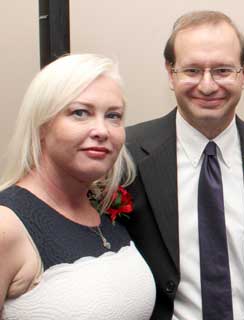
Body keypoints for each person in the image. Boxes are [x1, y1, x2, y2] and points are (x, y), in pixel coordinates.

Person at [124, 10, 244, 320]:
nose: (207, 86)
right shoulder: (127, 157)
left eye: (222, 70)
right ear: (170, 73)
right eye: (192, 70)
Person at [0, 54, 155, 319]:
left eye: (113, 116)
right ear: (42, 126)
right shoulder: (7, 225)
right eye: (80, 113)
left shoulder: (101, 211)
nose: (102, 130)